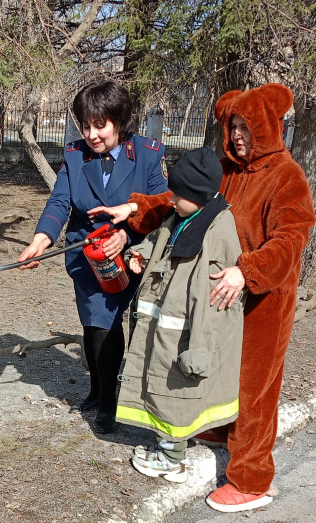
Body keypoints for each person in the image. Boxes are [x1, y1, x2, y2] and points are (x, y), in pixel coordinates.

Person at [90, 83, 316, 512]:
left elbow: (291, 239)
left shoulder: (287, 177)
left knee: (254, 388)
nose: (238, 136)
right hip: (220, 294)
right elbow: (182, 199)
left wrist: (247, 270)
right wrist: (135, 209)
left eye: (246, 128)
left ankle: (251, 479)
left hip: (264, 300)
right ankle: (216, 426)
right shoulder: (227, 170)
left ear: (269, 128)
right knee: (213, 365)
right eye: (234, 127)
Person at [17, 81, 169, 434]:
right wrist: (42, 239)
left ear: (120, 121)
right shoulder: (75, 155)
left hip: (127, 255)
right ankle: (97, 388)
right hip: (84, 254)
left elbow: (162, 205)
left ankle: (108, 403)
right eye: (85, 126)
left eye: (100, 126)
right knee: (90, 322)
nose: (91, 135)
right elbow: (60, 201)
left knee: (105, 321)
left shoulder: (147, 154)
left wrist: (127, 234)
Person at [115, 146, 243, 484]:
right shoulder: (188, 216)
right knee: (163, 384)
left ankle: (172, 461)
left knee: (175, 392)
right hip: (170, 324)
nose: (170, 200)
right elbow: (164, 239)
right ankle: (170, 447)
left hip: (186, 331)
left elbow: (209, 297)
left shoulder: (216, 231)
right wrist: (143, 252)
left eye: (178, 195)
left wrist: (198, 348)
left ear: (198, 196)